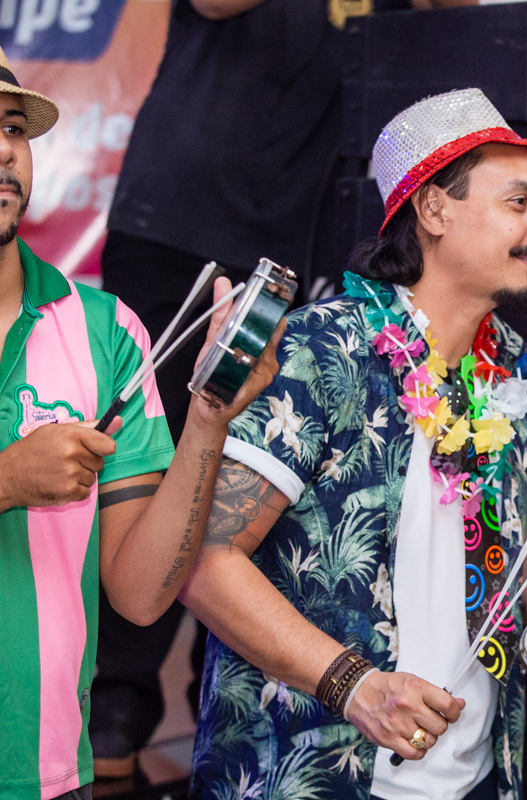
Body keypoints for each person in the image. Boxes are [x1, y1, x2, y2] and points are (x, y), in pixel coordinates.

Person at [178, 88, 527, 800]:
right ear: (434, 209)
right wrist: (352, 685)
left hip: (476, 775)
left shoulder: (511, 364)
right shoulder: (320, 350)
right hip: (313, 777)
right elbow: (203, 559)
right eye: (519, 202)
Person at [94, 0, 478, 778]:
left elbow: (457, 20)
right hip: (182, 227)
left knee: (261, 483)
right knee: (156, 470)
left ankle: (217, 698)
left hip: (305, 239)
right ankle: (116, 703)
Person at [0, 46, 279, 800]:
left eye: (14, 128)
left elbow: (141, 594)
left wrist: (209, 419)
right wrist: (8, 481)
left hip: (46, 773)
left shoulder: (106, 332)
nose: (5, 151)